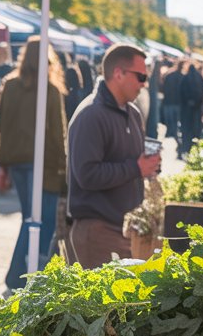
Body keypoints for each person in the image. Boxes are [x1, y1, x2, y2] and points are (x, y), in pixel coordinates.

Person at [66, 43, 160, 268]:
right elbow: (86, 175)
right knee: (107, 304)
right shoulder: (91, 115)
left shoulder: (133, 112)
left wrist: (150, 165)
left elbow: (135, 161)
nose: (144, 84)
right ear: (119, 74)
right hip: (98, 232)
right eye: (140, 77)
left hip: (126, 230)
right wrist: (136, 168)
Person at [0, 35, 68, 290]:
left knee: (30, 218)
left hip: (17, 161)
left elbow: (0, 125)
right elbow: (59, 134)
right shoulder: (49, 89)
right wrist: (64, 167)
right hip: (43, 164)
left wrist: (2, 163)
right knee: (39, 221)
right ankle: (21, 276)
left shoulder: (10, 84)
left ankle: (20, 275)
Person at [179, 59, 203, 157]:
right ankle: (194, 147)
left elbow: (181, 92)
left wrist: (188, 101)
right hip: (197, 108)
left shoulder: (186, 78)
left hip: (187, 109)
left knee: (187, 128)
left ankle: (187, 146)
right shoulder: (199, 77)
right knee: (196, 128)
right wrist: (198, 101)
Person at [161, 60, 182, 141]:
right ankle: (173, 134)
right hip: (176, 102)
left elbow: (163, 87)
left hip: (168, 101)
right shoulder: (181, 76)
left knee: (169, 120)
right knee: (175, 120)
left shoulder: (169, 75)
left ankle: (170, 133)